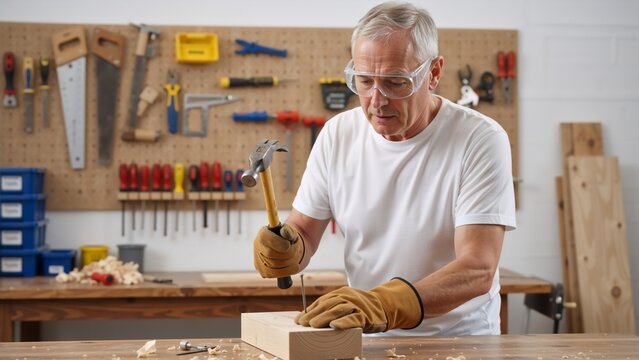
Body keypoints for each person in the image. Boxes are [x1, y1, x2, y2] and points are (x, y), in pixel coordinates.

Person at [253, 1, 516, 336]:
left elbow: (478, 268)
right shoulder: (337, 134)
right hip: (366, 337)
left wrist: (383, 304)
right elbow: (303, 230)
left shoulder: (479, 139)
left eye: (395, 82)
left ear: (433, 73)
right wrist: (287, 249)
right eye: (364, 81)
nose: (376, 100)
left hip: (457, 342)